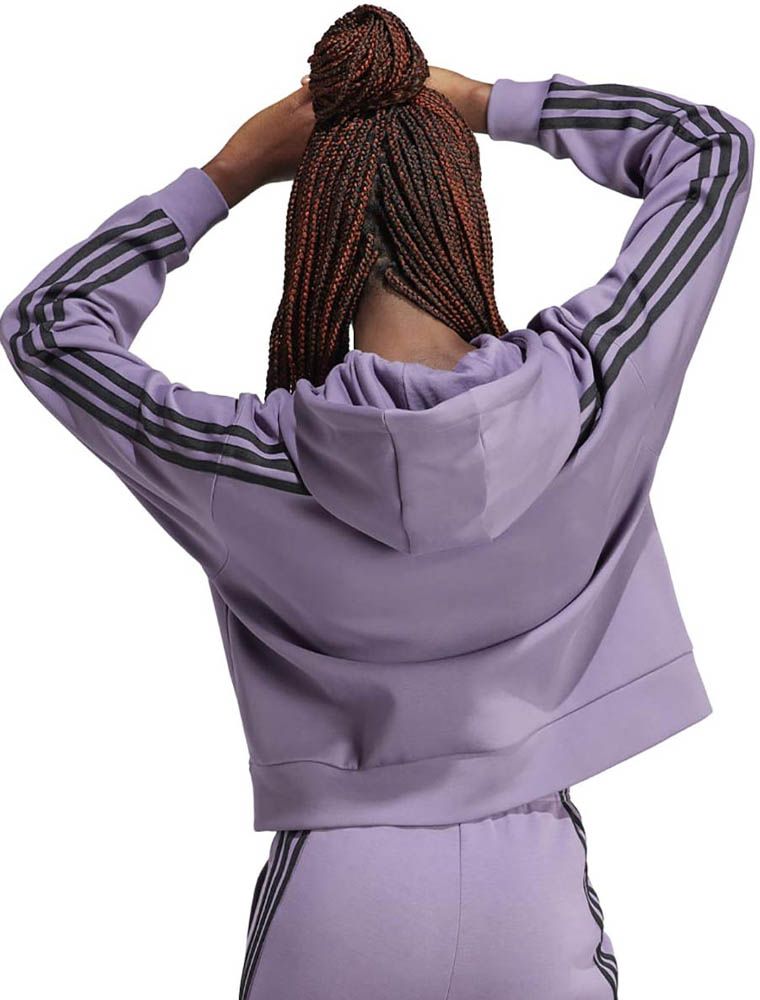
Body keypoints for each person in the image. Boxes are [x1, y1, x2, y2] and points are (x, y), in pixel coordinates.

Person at [0, 4, 754, 998]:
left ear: (311, 240)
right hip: (530, 883)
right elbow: (711, 151)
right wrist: (486, 103)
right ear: (465, 213)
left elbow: (48, 327)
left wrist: (226, 174)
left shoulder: (247, 462)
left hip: (342, 892)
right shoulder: (587, 393)